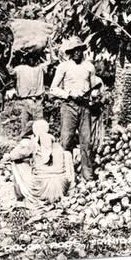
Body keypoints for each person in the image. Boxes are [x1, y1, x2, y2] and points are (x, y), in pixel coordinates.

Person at [50, 37, 97, 181]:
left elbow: (94, 88)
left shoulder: (89, 67)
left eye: (79, 50)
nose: (77, 53)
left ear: (83, 51)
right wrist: (69, 95)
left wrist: (93, 97)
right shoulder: (63, 67)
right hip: (69, 106)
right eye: (74, 51)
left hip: (84, 107)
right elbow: (53, 89)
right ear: (70, 52)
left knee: (86, 141)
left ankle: (87, 174)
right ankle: (64, 173)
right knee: (66, 140)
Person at [2, 120, 75, 206]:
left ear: (35, 131)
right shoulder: (57, 144)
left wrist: (8, 156)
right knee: (67, 155)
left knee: (17, 162)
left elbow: (17, 155)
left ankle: (19, 196)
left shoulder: (34, 143)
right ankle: (70, 191)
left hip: (41, 188)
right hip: (61, 187)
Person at [10, 51, 52, 137]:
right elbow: (8, 71)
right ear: (26, 59)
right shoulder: (20, 69)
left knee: (40, 128)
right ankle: (25, 145)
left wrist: (49, 44)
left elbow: (52, 61)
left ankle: (39, 147)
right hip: (25, 102)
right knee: (25, 129)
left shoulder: (40, 68)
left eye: (34, 57)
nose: (32, 60)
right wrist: (11, 55)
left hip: (38, 102)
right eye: (30, 57)